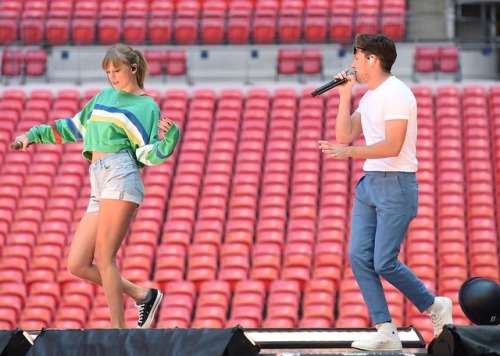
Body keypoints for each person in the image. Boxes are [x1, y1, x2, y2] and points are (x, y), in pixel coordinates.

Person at [12, 43, 180, 329]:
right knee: (77, 263)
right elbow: (73, 127)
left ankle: (118, 332)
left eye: (117, 70)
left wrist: (170, 139)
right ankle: (143, 295)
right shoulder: (103, 96)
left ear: (133, 68)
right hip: (98, 179)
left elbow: (146, 153)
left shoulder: (146, 106)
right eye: (108, 72)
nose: (112, 77)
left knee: (104, 257)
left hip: (121, 173)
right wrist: (34, 134)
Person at [318, 34, 453, 351]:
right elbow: (345, 134)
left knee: (384, 261)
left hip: (396, 182)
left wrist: (346, 154)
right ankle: (385, 330)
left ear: (371, 60)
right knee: (358, 256)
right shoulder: (368, 97)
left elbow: (392, 146)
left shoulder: (397, 94)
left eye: (356, 57)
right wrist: (344, 95)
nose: (352, 64)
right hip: (370, 183)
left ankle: (434, 307)